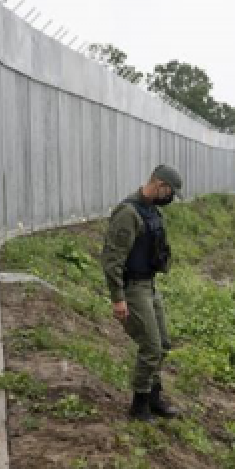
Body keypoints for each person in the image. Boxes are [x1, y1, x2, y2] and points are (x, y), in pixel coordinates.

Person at [101, 165, 184, 423]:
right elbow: (112, 259)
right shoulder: (128, 213)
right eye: (169, 191)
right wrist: (118, 298)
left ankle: (153, 397)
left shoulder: (151, 212)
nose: (170, 197)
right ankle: (139, 405)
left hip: (149, 286)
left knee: (163, 344)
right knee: (150, 346)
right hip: (133, 289)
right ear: (159, 184)